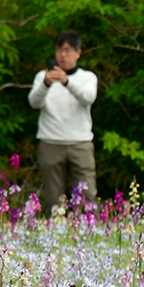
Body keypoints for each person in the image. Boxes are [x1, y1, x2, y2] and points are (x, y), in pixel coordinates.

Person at [28, 30, 99, 214]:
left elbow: (88, 97)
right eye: (59, 50)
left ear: (78, 53)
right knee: (53, 200)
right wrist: (46, 84)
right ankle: (55, 236)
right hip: (51, 142)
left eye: (68, 50)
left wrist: (67, 82)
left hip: (80, 143)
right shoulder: (42, 77)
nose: (63, 55)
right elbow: (34, 102)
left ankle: (89, 233)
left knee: (87, 196)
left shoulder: (87, 77)